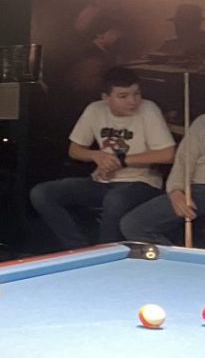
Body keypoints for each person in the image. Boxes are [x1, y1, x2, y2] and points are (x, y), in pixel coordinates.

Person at [30, 66, 175, 249]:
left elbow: (167, 154)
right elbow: (75, 150)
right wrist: (96, 155)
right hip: (102, 182)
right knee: (42, 193)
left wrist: (120, 161)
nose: (132, 101)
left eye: (136, 94)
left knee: (116, 199)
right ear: (106, 98)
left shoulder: (149, 109)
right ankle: (78, 248)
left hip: (142, 182)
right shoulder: (95, 110)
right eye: (123, 96)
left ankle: (105, 251)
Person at [121, 112, 205, 245]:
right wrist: (175, 190)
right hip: (197, 189)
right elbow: (184, 159)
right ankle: (179, 258)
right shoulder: (202, 121)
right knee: (135, 224)